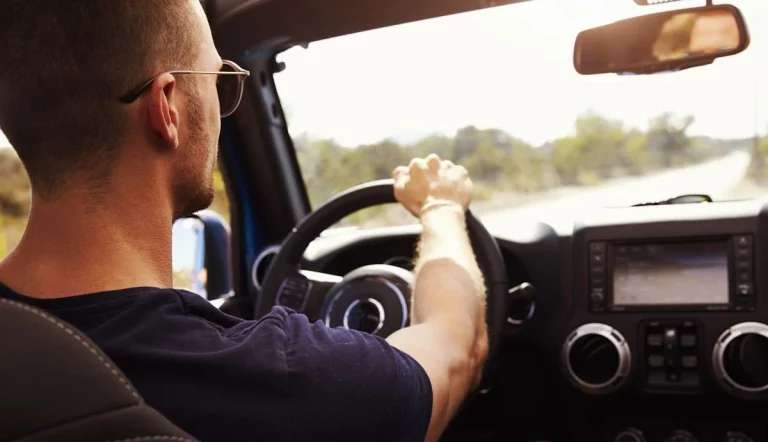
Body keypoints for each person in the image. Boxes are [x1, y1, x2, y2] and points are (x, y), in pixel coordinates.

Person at [0, 1, 488, 442]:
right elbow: (456, 349)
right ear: (167, 108)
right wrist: (442, 208)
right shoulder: (285, 382)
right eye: (219, 82)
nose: (220, 108)